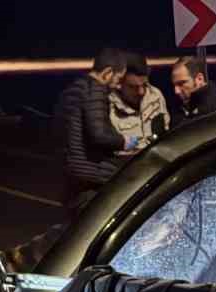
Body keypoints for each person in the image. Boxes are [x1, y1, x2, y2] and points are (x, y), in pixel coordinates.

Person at [55, 48, 139, 212]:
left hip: (71, 171)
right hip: (92, 174)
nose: (118, 84)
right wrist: (124, 141)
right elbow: (99, 134)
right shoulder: (95, 90)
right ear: (108, 73)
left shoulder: (73, 90)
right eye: (118, 78)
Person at [110, 52, 171, 149]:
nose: (141, 92)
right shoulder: (108, 106)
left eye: (144, 84)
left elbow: (166, 134)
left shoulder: (155, 95)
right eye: (133, 87)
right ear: (118, 84)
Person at [169, 55, 216, 122]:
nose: (176, 91)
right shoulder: (182, 106)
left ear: (199, 79)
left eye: (181, 83)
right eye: (174, 85)